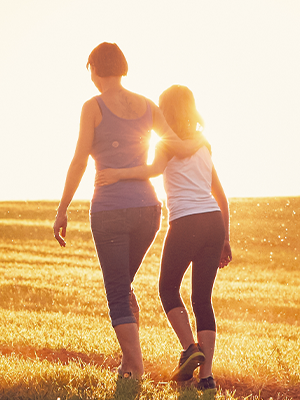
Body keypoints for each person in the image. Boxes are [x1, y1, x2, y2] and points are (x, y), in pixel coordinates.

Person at [52, 43, 205, 379]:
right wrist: (200, 143)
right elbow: (177, 147)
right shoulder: (148, 105)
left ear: (93, 69)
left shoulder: (92, 107)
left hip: (109, 210)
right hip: (148, 211)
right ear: (122, 66)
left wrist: (62, 209)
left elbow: (79, 160)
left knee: (118, 290)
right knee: (125, 283)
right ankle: (129, 362)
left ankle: (135, 367)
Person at [95, 84, 230, 391]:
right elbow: (221, 196)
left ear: (164, 111)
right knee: (202, 299)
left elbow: (152, 171)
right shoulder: (204, 144)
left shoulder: (167, 142)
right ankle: (206, 378)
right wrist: (226, 238)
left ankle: (190, 348)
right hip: (213, 222)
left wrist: (117, 174)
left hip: (186, 222)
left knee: (167, 288)